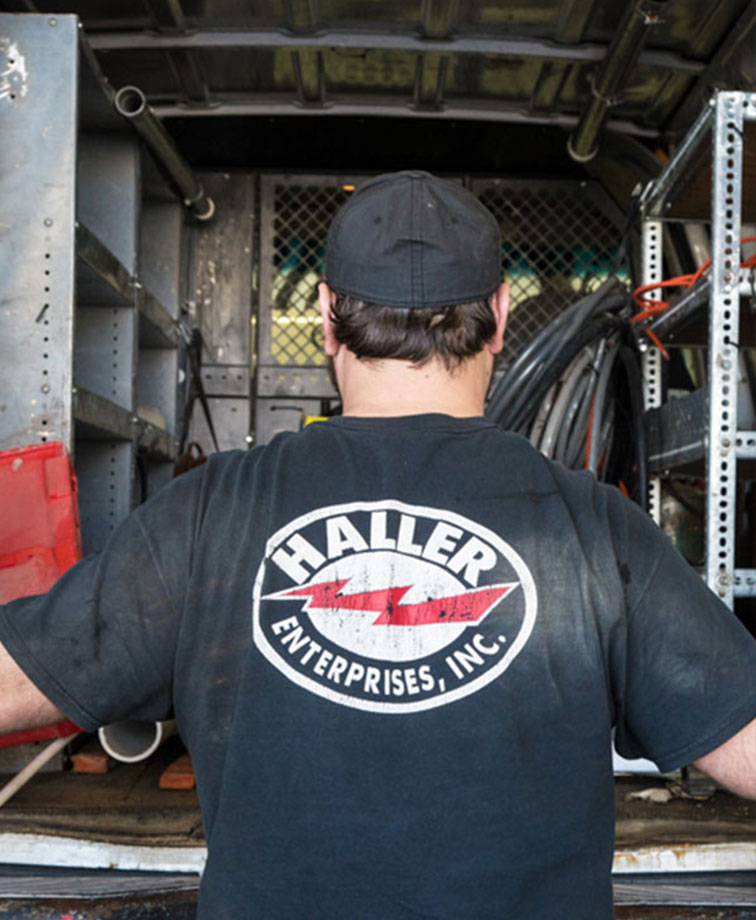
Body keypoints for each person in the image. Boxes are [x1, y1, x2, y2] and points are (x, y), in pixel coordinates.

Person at [1, 171, 755, 919]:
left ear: (327, 316)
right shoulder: (598, 527)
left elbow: (17, 682)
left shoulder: (207, 511)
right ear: (498, 316)